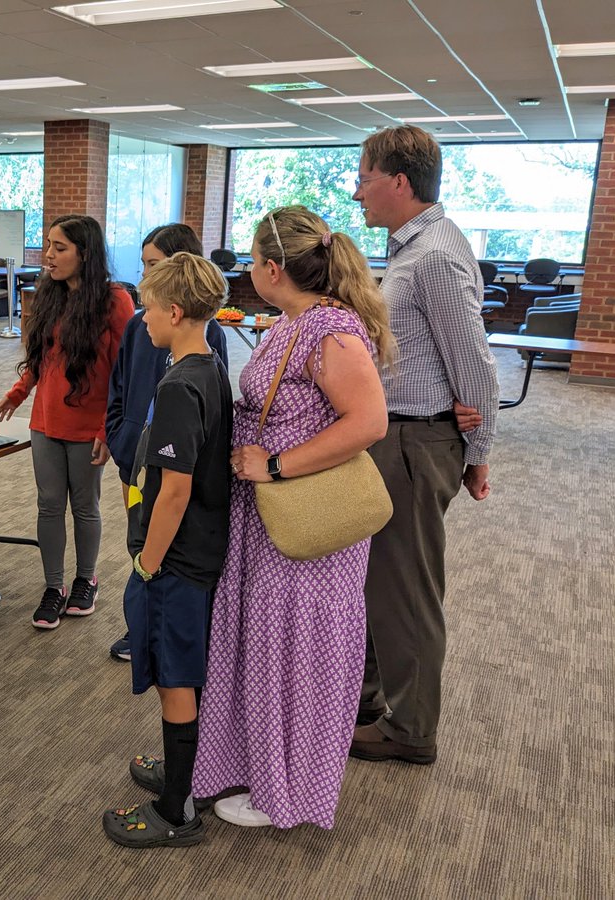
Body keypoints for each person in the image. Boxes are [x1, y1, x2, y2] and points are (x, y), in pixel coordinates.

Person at [190, 205, 393, 830]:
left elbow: (369, 423)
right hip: (272, 519)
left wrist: (276, 464)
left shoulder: (330, 331)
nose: (249, 271)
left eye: (253, 261)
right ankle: (258, 763)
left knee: (299, 651)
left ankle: (287, 790)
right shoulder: (294, 321)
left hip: (304, 518)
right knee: (266, 644)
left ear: (275, 268)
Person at [349, 124, 499, 764]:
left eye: (365, 178)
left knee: (406, 589)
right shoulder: (410, 248)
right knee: (380, 582)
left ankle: (412, 731)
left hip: (417, 441)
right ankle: (370, 701)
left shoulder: (434, 253)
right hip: (400, 436)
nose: (358, 192)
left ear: (399, 182)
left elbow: (477, 367)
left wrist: (478, 451)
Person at [101, 252, 232, 848]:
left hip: (174, 560)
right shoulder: (207, 365)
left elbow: (173, 492)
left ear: (174, 311)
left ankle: (176, 810)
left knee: (175, 678)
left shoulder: (180, 385)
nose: (142, 319)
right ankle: (185, 768)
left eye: (149, 308)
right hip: (199, 551)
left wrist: (147, 563)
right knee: (183, 672)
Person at [0, 215, 134, 629]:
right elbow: (40, 358)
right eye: (47, 246)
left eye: (59, 248)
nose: (48, 256)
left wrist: (110, 428)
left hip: (90, 425)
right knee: (49, 505)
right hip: (46, 421)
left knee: (85, 506)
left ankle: (86, 579)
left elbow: (124, 371)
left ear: (84, 254)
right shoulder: (49, 295)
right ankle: (54, 587)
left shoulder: (115, 301)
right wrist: (17, 394)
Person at [105, 224, 229, 662]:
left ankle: (149, 614)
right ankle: (143, 624)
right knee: (141, 530)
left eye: (152, 269)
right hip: (136, 456)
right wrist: (120, 435)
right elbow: (120, 381)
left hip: (174, 495)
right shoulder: (144, 329)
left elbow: (176, 490)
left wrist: (146, 568)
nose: (142, 285)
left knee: (155, 561)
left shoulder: (198, 362)